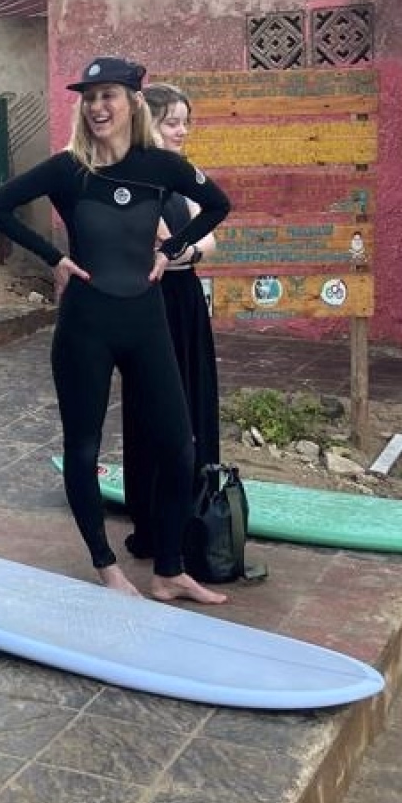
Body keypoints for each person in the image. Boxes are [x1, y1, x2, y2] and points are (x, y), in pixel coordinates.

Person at [0, 56, 232, 604]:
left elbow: (218, 205)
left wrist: (171, 249)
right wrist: (54, 257)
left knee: (179, 446)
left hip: (146, 321)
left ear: (132, 103)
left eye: (108, 95)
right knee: (83, 447)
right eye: (89, 97)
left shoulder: (158, 166)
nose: (97, 106)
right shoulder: (67, 169)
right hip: (85, 327)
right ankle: (106, 566)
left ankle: (168, 571)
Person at [120, 81, 221, 560]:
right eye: (171, 122)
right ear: (149, 125)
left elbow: (204, 243)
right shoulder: (139, 179)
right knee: (157, 410)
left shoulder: (184, 175)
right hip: (150, 305)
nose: (181, 130)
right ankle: (156, 517)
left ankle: (193, 509)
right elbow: (157, 250)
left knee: (194, 401)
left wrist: (186, 250)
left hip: (185, 302)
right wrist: (186, 250)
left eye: (185, 121)